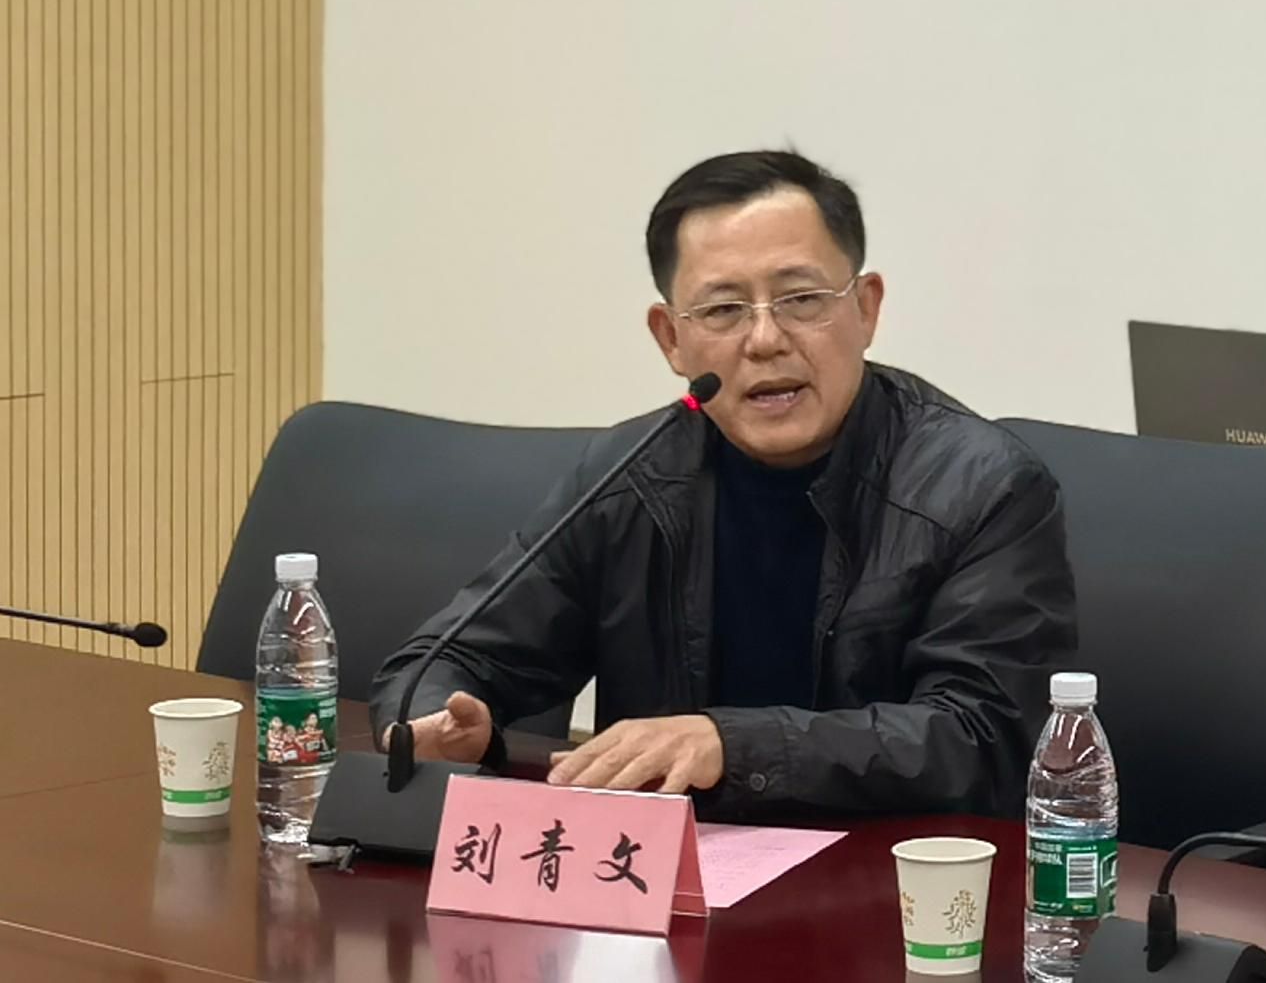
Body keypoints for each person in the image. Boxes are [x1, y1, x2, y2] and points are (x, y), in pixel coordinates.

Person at [369, 149, 1075, 818]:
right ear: (670, 338)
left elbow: (983, 738)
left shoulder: (983, 487)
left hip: (893, 883)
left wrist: (732, 746)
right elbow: (442, 659)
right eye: (723, 310)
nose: (765, 339)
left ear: (866, 308)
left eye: (801, 299)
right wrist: (435, 722)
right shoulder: (629, 475)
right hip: (666, 878)